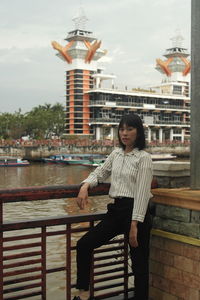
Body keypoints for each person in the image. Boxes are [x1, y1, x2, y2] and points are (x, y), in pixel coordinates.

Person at [73, 113, 153, 300]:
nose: (124, 133)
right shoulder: (116, 154)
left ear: (138, 132)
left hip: (136, 212)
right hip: (117, 210)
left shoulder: (143, 158)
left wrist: (134, 224)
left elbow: (142, 192)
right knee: (84, 244)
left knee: (139, 264)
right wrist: (85, 185)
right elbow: (100, 172)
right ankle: (83, 294)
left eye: (130, 129)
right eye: (122, 129)